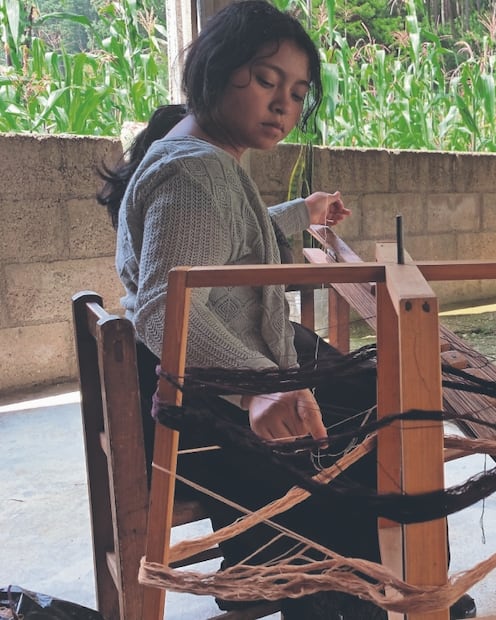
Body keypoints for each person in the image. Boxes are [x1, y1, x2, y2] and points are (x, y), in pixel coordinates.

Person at [96, 2, 475, 618]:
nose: (284, 105)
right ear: (215, 71)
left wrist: (304, 211)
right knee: (375, 428)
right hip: (202, 409)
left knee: (364, 395)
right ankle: (362, 591)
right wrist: (256, 391)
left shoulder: (204, 157)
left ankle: (374, 584)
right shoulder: (192, 175)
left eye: (297, 92)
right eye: (268, 81)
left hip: (194, 385)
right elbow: (166, 310)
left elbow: (235, 243)